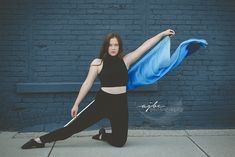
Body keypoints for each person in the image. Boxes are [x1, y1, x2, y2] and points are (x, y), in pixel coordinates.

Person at [21, 29, 175, 149]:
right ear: (106, 46)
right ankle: (40, 140)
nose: (113, 47)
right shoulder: (97, 63)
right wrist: (76, 104)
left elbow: (145, 46)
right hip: (102, 102)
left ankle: (103, 136)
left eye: (116, 45)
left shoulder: (126, 60)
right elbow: (87, 84)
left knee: (120, 142)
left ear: (119, 46)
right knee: (71, 129)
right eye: (110, 44)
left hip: (120, 104)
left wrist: (162, 34)